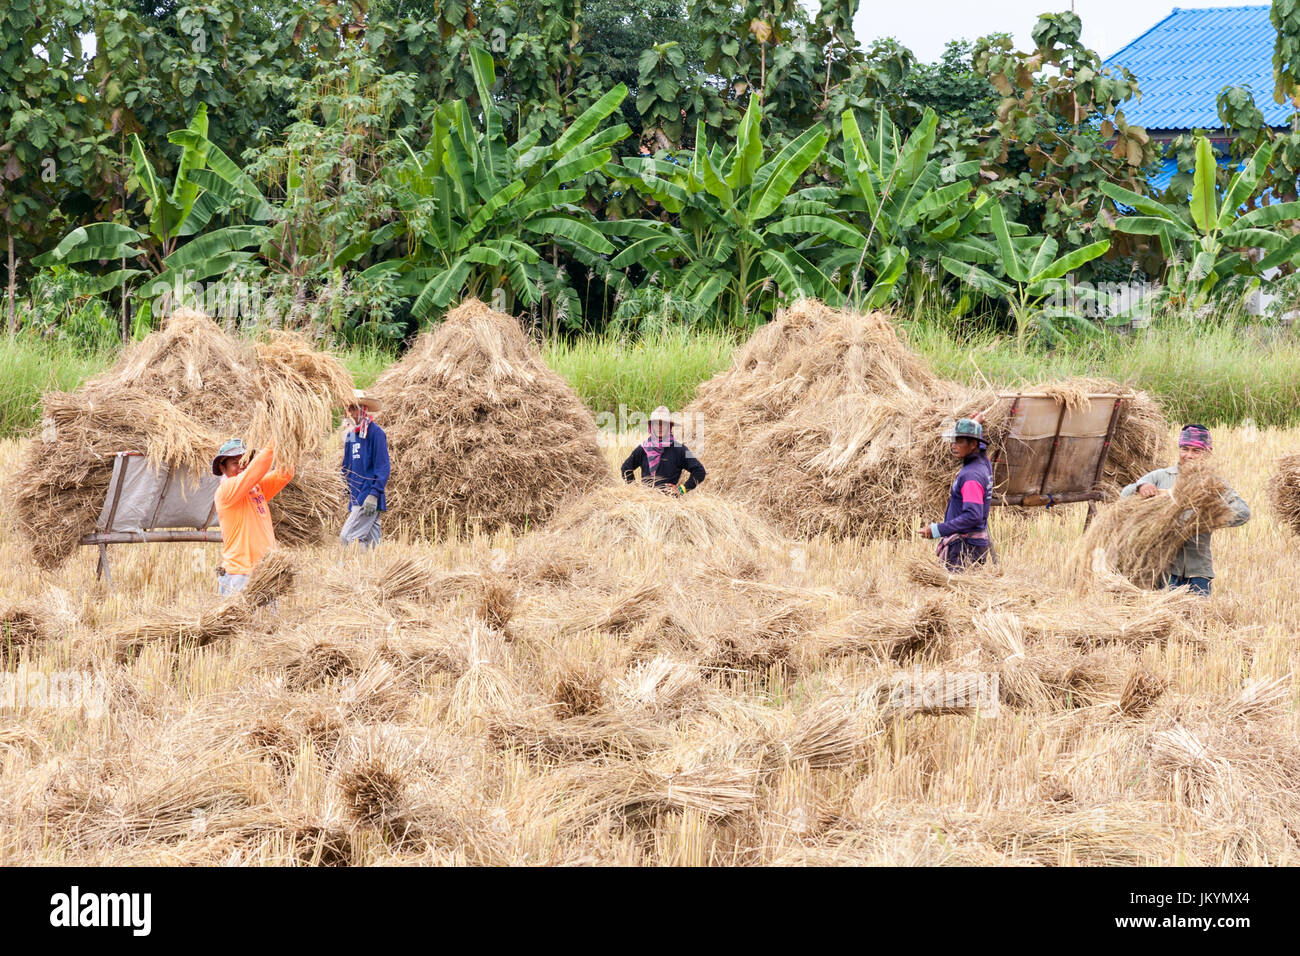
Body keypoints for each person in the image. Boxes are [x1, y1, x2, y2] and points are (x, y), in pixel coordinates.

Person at [1119, 423, 1250, 596]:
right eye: (1184, 449)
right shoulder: (1161, 477)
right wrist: (1141, 487)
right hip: (1163, 570)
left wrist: (1209, 516)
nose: (1188, 455)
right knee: (1164, 619)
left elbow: (1243, 512)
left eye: (1196, 451)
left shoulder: (1214, 484)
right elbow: (1124, 496)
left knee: (1197, 619)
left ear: (1207, 453)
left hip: (1198, 571)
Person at [212, 437, 294, 596]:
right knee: (243, 621)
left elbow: (286, 473)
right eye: (235, 463)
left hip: (265, 572)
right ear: (222, 468)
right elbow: (258, 467)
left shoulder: (257, 488)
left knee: (269, 621)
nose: (242, 466)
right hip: (240, 575)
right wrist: (276, 437)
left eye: (245, 460)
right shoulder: (226, 491)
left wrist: (287, 441)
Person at [917, 417, 994, 571]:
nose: (953, 446)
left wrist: (937, 530)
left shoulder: (971, 476)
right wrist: (975, 424)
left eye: (959, 442)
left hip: (964, 549)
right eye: (953, 441)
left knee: (958, 593)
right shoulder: (983, 464)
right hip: (974, 546)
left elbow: (973, 516)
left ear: (973, 444)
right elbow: (981, 450)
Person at [340, 389, 390, 549]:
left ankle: (345, 571)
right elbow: (347, 466)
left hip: (367, 495)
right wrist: (341, 485)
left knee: (348, 537)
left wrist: (374, 495)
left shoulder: (376, 433)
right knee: (370, 543)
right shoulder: (351, 436)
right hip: (356, 495)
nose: (352, 413)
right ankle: (372, 571)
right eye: (350, 408)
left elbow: (383, 467)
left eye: (355, 408)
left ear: (364, 409)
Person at [621, 406, 706, 495]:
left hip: (669, 502)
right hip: (645, 501)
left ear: (670, 426)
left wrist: (682, 489)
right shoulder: (643, 448)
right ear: (651, 426)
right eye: (656, 423)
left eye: (664, 424)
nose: (660, 427)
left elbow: (699, 471)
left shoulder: (679, 449)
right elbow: (626, 468)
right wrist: (635, 489)